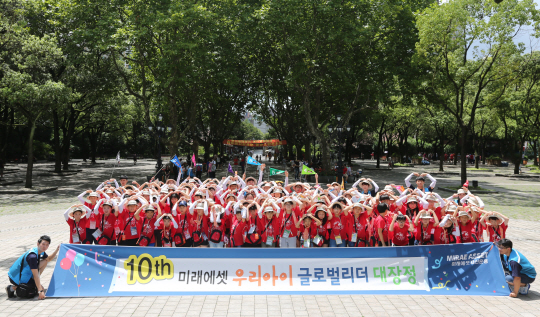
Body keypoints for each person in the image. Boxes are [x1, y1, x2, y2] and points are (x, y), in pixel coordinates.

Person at [6, 235, 60, 299]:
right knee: (35, 291)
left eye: (47, 245)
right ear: (38, 243)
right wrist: (40, 291)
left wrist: (57, 250)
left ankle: (33, 283)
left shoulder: (40, 251)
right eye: (43, 244)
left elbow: (48, 259)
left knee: (45, 261)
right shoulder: (32, 256)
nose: (45, 246)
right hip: (16, 277)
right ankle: (11, 288)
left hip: (25, 273)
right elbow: (35, 275)